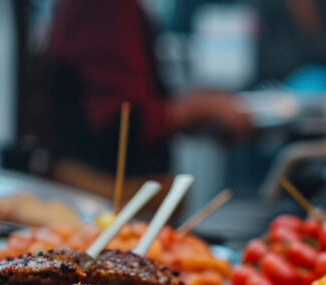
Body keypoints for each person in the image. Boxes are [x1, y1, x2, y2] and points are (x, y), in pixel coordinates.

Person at [46, 0, 254, 197]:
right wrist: (201, 108)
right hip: (104, 196)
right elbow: (118, 122)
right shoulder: (106, 5)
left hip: (114, 191)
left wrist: (199, 119)